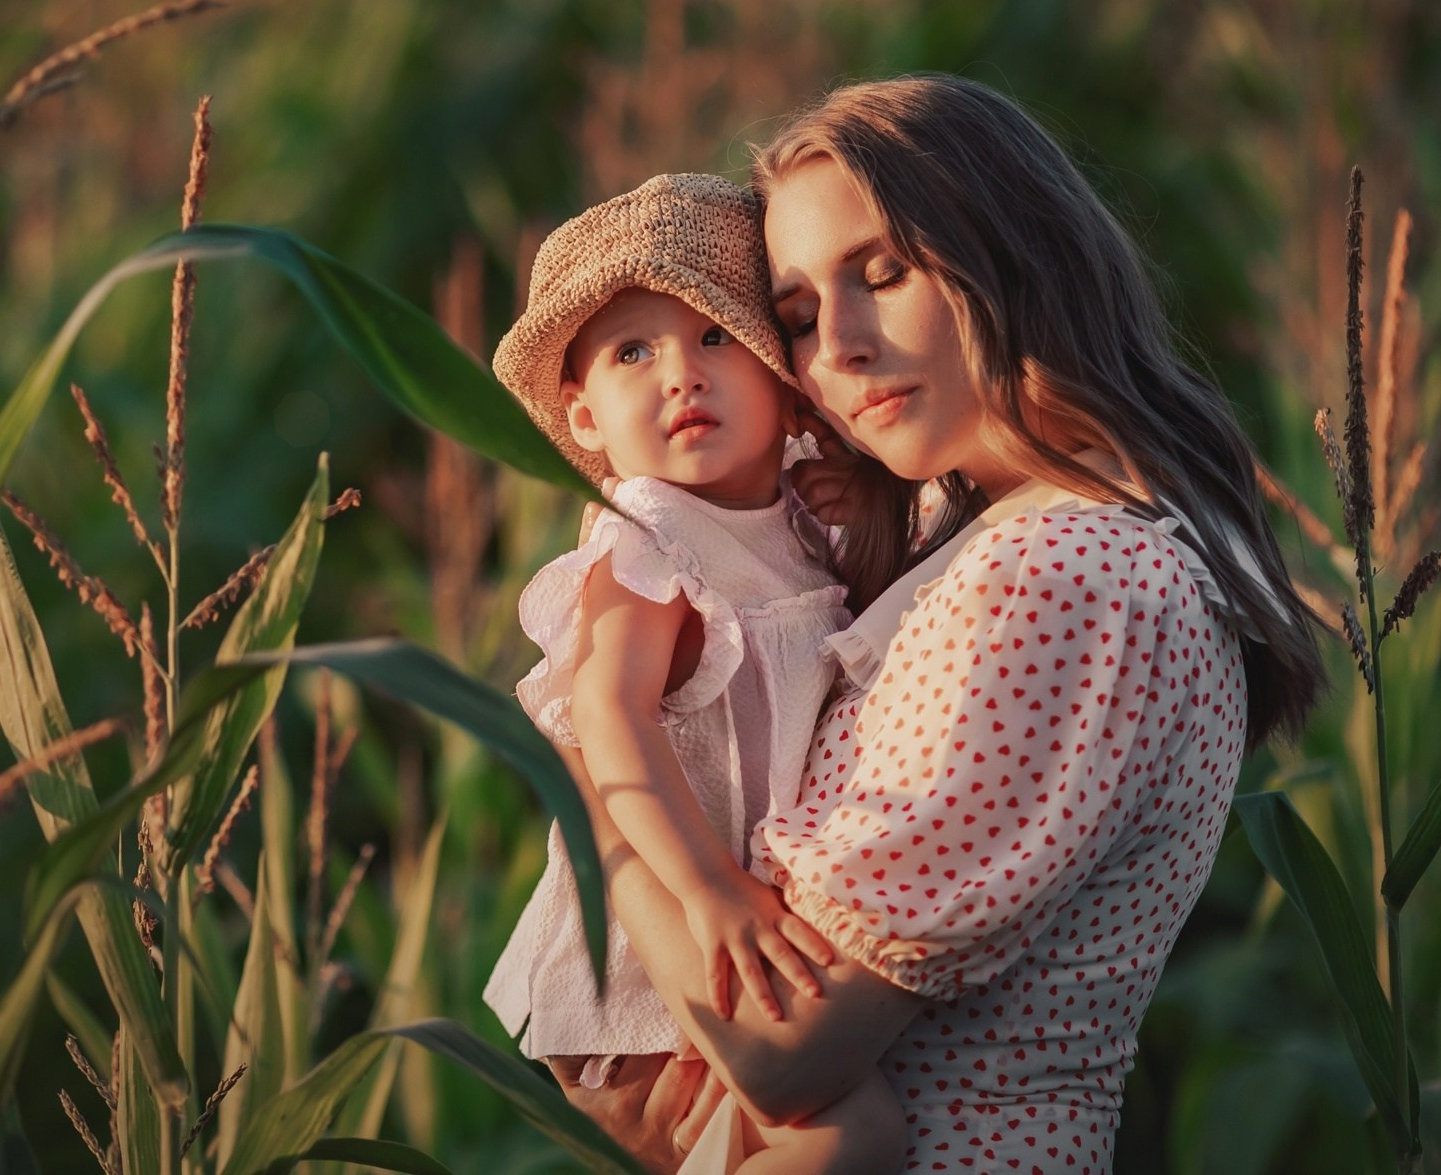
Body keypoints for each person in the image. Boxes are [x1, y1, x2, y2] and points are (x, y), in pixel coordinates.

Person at [550, 76, 1326, 1173]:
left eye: (883, 272)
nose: (841, 348)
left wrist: (587, 791)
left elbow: (780, 1049)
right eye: (799, 317)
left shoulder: (1066, 578)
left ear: (1020, 253)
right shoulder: (974, 529)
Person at [484, 172, 907, 1175]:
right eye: (634, 350)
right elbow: (606, 712)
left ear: (782, 371)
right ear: (583, 417)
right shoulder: (652, 530)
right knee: (856, 1138)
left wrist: (864, 499)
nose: (682, 373)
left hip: (724, 928)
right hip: (653, 947)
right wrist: (707, 887)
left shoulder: (794, 525)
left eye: (715, 337)